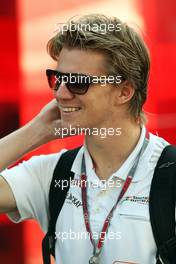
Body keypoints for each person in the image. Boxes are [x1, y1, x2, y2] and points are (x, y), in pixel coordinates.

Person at [0, 14, 170, 264]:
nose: (60, 93)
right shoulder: (53, 173)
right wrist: (36, 131)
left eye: (78, 82)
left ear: (124, 91)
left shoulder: (170, 173)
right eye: (57, 79)